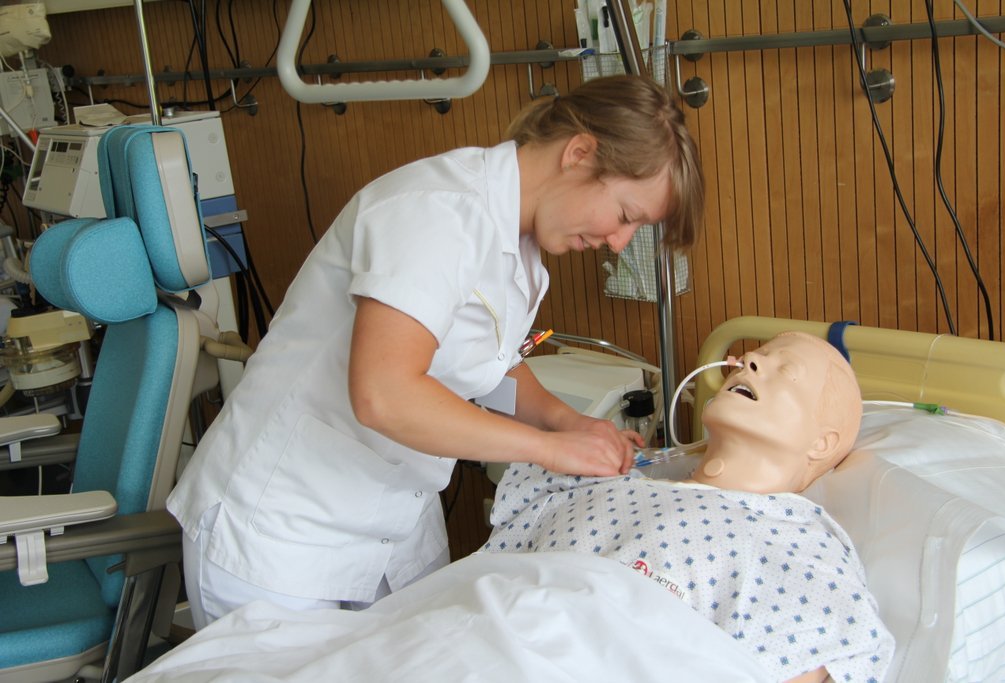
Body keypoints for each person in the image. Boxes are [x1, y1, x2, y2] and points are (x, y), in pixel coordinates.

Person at [167, 74, 706, 628]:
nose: (618, 243)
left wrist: (565, 421)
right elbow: (385, 394)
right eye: (626, 216)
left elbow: (484, 363)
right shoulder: (437, 213)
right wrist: (547, 449)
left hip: (390, 525)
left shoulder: (519, 242)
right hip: (282, 531)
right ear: (580, 153)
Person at [484, 332, 895, 683]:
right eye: (757, 354)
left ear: (822, 443)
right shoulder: (593, 479)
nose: (749, 359)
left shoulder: (799, 551)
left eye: (786, 371)